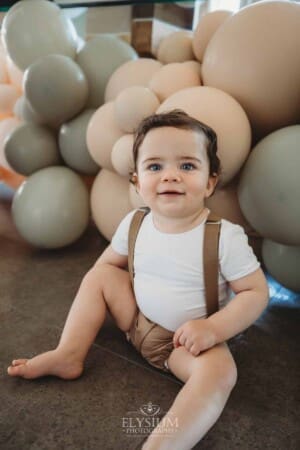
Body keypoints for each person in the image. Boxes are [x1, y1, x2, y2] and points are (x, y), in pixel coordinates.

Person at [7, 110, 269, 450]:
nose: (170, 176)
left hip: (185, 344)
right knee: (99, 275)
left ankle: (163, 444)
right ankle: (69, 353)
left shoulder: (224, 237)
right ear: (136, 181)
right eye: (155, 166)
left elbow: (255, 293)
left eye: (187, 166)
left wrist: (213, 329)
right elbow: (105, 271)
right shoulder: (135, 221)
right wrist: (103, 300)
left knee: (220, 374)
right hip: (134, 322)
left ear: (210, 181)